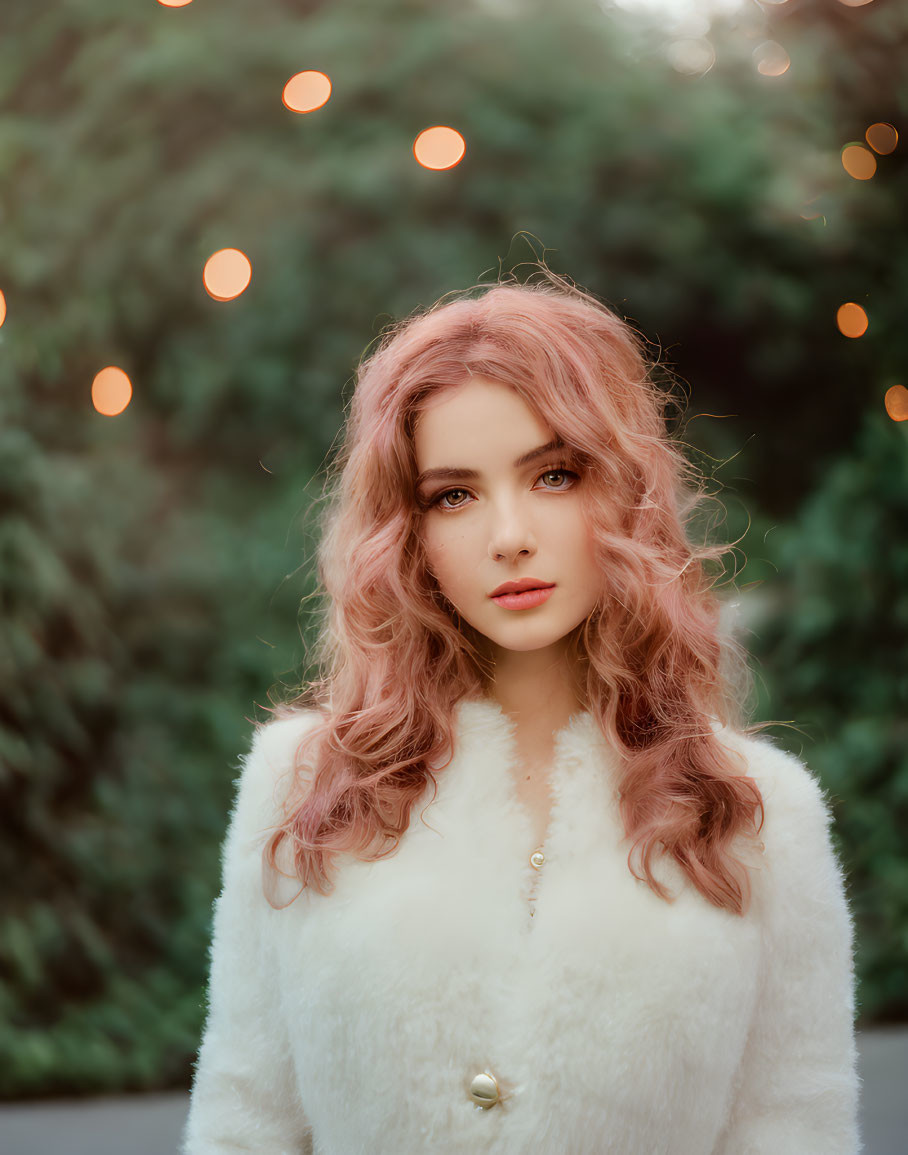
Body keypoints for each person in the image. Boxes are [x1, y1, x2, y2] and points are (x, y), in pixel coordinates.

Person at [182, 271, 860, 1154]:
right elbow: (245, 1118)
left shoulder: (762, 814)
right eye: (453, 494)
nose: (509, 533)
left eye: (553, 474)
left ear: (623, 490)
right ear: (409, 532)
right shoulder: (303, 786)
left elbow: (794, 1131)